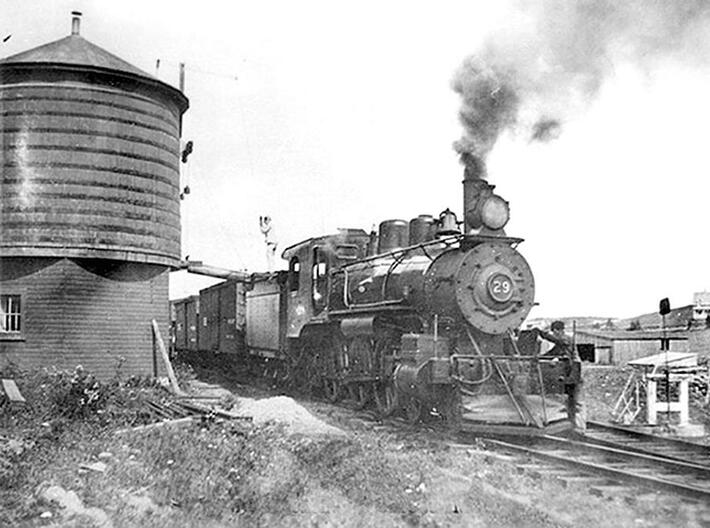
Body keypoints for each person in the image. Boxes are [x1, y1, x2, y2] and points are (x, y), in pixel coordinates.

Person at [537, 321, 586, 431]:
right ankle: (572, 426)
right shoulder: (560, 344)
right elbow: (552, 353)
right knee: (569, 401)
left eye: (554, 332)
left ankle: (581, 428)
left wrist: (542, 333)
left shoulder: (566, 339)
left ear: (557, 330)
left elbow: (557, 341)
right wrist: (539, 357)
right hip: (567, 372)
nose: (554, 335)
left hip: (574, 372)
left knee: (577, 402)